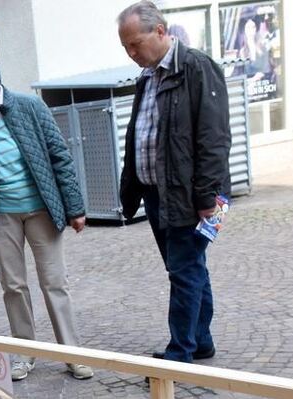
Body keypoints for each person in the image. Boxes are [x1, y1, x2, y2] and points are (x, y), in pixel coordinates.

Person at [0, 58, 93, 381]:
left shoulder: (28, 107)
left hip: (42, 209)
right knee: (13, 286)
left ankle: (73, 354)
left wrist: (75, 208)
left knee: (55, 282)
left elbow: (60, 156)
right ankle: (25, 353)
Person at [118, 1, 231, 363]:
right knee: (187, 267)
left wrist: (206, 196)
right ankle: (201, 341)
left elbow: (213, 138)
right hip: (156, 192)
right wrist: (131, 188)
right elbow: (140, 134)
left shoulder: (196, 67)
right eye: (126, 47)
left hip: (187, 194)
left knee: (184, 270)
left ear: (160, 31)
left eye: (135, 44)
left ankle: (179, 352)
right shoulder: (147, 77)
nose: (131, 53)